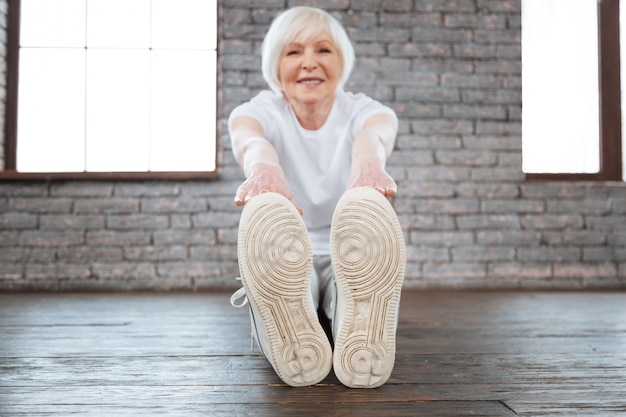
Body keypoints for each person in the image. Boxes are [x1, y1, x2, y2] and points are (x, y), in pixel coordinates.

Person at [228, 6, 406, 389]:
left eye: (323, 50)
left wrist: (368, 165)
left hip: (348, 249)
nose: (309, 62)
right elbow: (251, 140)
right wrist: (263, 170)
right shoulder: (258, 112)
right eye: (294, 52)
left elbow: (373, 136)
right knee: (294, 286)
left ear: (342, 62)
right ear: (275, 66)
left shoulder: (365, 111)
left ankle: (355, 341)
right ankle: (292, 335)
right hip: (291, 248)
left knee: (350, 287)